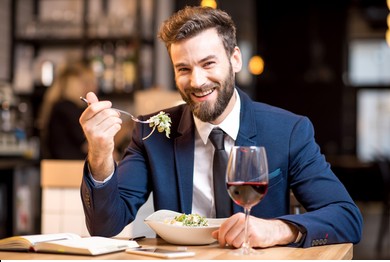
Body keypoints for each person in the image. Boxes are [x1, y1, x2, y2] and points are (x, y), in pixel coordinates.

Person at [79, 6, 363, 248]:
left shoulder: (288, 131)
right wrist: (100, 155)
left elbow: (346, 217)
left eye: (208, 63)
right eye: (184, 69)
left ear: (235, 59)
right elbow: (106, 226)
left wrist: (276, 229)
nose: (197, 81)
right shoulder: (152, 132)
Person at [38, 61, 97, 159]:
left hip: (61, 166)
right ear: (74, 84)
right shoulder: (67, 109)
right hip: (68, 167)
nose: (93, 87)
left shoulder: (60, 106)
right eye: (86, 82)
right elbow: (88, 144)